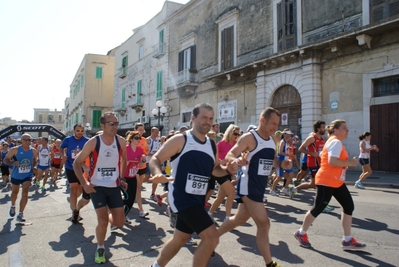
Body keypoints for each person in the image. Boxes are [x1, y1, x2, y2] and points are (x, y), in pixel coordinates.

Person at [149, 103, 238, 267]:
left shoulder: (212, 145)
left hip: (197, 199)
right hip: (182, 198)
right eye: (204, 117)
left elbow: (215, 169)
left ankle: (156, 265)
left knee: (180, 238)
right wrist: (157, 173)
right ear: (193, 118)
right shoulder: (181, 139)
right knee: (211, 237)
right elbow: (155, 159)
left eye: (210, 118)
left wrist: (228, 170)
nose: (207, 122)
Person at [217, 107, 285, 267]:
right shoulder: (250, 137)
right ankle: (270, 263)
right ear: (263, 121)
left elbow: (273, 160)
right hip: (248, 185)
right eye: (273, 124)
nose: (276, 128)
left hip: (260, 187)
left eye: (277, 124)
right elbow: (229, 154)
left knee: (238, 219)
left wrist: (282, 163)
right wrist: (236, 161)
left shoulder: (271, 140)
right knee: (264, 223)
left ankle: (210, 238)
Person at [294, 119, 366, 250]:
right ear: (336, 130)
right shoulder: (335, 142)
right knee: (318, 208)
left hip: (336, 181)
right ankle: (301, 233)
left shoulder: (332, 141)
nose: (348, 130)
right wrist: (349, 163)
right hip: (327, 180)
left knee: (348, 206)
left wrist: (344, 165)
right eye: (344, 128)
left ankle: (347, 239)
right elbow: (332, 161)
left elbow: (326, 157)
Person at [73, 112, 127, 264]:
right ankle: (100, 247)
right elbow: (76, 163)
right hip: (97, 187)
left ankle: (111, 218)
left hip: (114, 186)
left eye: (116, 123)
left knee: (120, 222)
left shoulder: (121, 141)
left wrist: (121, 178)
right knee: (102, 221)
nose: (115, 126)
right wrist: (84, 184)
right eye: (111, 124)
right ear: (102, 125)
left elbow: (125, 160)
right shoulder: (93, 142)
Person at [208, 124, 240, 222]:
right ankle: (227, 218)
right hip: (219, 171)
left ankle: (209, 214)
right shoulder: (221, 144)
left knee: (221, 196)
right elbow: (214, 156)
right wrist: (220, 161)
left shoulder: (236, 144)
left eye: (238, 134)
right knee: (232, 193)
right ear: (230, 132)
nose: (236, 136)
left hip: (228, 172)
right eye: (235, 133)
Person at [4, 134, 38, 222]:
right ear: (21, 140)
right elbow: (5, 160)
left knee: (25, 193)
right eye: (25, 140)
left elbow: (35, 159)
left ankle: (21, 213)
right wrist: (12, 163)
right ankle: (12, 205)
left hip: (27, 175)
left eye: (29, 140)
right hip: (16, 175)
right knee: (15, 192)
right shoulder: (15, 150)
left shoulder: (33, 151)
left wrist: (34, 166)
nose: (28, 141)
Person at [60, 123, 90, 223]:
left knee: (80, 190)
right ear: (74, 131)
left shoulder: (87, 141)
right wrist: (63, 155)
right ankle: (74, 212)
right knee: (73, 189)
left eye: (82, 131)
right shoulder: (67, 140)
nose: (80, 133)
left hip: (82, 168)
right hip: (70, 167)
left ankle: (75, 206)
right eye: (78, 131)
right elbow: (61, 147)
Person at [123, 130, 145, 224]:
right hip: (125, 177)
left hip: (133, 177)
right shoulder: (126, 149)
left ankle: (123, 216)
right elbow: (120, 163)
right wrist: (126, 163)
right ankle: (117, 211)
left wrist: (143, 160)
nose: (138, 140)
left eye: (139, 138)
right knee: (128, 198)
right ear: (131, 139)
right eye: (136, 138)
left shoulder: (140, 150)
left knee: (131, 200)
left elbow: (139, 166)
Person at [270, 128, 296, 197]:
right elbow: (280, 152)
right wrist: (289, 155)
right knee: (279, 177)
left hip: (286, 161)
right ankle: (272, 190)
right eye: (288, 134)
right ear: (285, 134)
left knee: (291, 174)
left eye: (290, 134)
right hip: (280, 161)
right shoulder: (282, 142)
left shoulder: (287, 142)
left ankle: (284, 188)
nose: (290, 135)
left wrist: (290, 156)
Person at [133, 122, 150, 218]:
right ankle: (141, 210)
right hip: (133, 167)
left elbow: (146, 152)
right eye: (140, 129)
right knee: (138, 188)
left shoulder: (144, 140)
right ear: (135, 130)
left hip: (142, 166)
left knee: (138, 187)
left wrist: (145, 153)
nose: (141, 131)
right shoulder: (131, 139)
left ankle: (129, 202)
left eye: (142, 130)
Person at [146, 127, 161, 200]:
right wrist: (155, 155)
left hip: (155, 162)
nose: (157, 134)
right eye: (155, 132)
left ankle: (152, 194)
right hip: (148, 161)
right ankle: (137, 186)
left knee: (156, 177)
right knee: (146, 178)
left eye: (158, 132)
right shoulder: (148, 140)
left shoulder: (158, 140)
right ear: (151, 132)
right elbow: (146, 152)